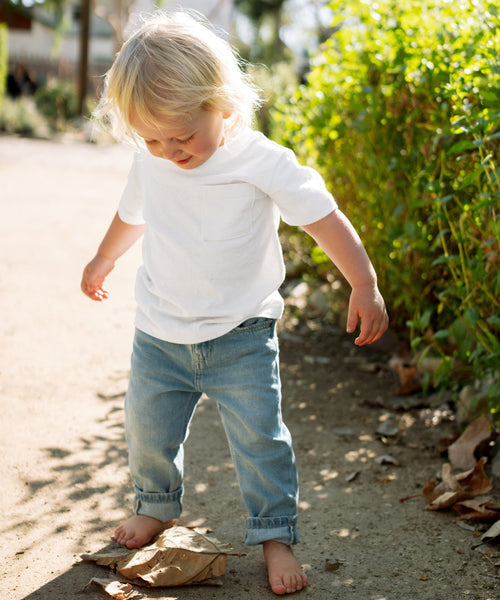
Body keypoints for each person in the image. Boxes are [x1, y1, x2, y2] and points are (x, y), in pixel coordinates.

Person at [81, 10, 388, 596]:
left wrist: (363, 283)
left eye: (183, 135)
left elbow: (323, 217)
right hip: (160, 334)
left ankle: (275, 532)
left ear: (220, 103)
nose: (171, 150)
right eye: (152, 138)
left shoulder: (260, 159)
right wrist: (103, 258)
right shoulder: (152, 159)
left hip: (241, 336)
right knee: (147, 430)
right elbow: (132, 213)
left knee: (260, 439)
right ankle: (155, 504)